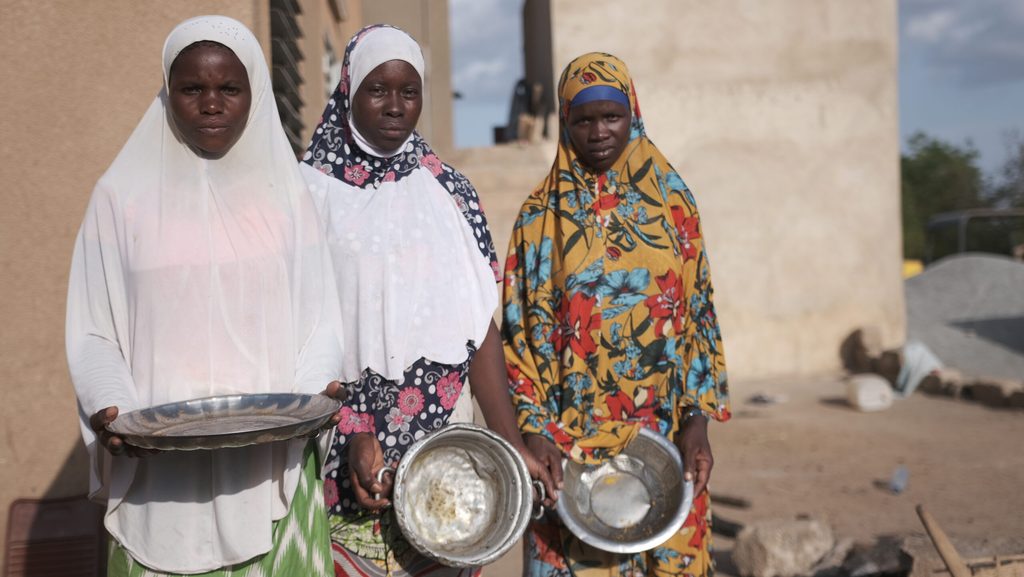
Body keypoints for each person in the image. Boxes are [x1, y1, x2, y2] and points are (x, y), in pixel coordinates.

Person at [66, 15, 343, 576]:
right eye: (192, 88)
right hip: (158, 478)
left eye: (229, 88)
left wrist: (315, 392)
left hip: (268, 473)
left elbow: (321, 322)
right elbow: (93, 329)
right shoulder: (120, 199)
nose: (211, 104)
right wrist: (111, 408)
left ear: (255, 93)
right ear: (169, 93)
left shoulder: (287, 199)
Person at [299, 24, 556, 577]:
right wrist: (352, 427)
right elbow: (293, 332)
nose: (395, 106)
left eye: (409, 91)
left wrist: (511, 445)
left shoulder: (449, 192)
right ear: (347, 89)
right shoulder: (307, 192)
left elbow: (478, 326)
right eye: (377, 89)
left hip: (445, 458)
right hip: (343, 453)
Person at [502, 52, 732, 577]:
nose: (599, 132)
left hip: (665, 447)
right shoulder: (540, 219)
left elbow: (698, 316)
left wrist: (697, 423)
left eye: (612, 116)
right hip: (569, 452)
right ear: (566, 123)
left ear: (633, 113)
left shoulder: (674, 206)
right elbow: (518, 337)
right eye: (583, 120)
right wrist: (534, 431)